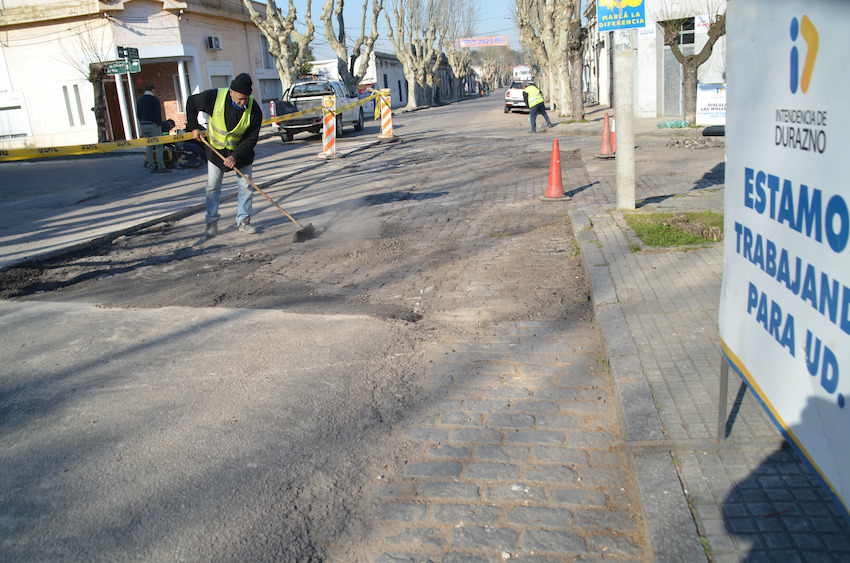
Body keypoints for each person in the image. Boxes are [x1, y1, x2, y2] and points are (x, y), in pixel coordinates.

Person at [185, 73, 263, 237]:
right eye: (240, 98)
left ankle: (243, 220)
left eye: (246, 99)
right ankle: (211, 223)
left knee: (246, 186)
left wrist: (235, 156)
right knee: (213, 187)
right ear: (231, 92)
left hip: (241, 154)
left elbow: (251, 139)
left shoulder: (254, 109)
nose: (243, 102)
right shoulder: (214, 97)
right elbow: (191, 102)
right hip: (215, 151)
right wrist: (193, 126)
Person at [136, 84, 171, 173]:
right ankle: (161, 166)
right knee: (159, 145)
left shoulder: (140, 100)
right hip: (153, 124)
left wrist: (142, 121)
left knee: (149, 146)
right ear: (153, 90)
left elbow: (138, 113)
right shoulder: (154, 99)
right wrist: (159, 124)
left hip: (143, 124)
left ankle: (152, 166)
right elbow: (157, 113)